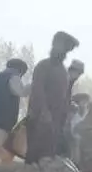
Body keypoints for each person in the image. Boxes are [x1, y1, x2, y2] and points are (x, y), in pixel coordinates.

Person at [25, 31, 79, 164]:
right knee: (34, 158)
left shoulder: (63, 72)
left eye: (67, 50)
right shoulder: (43, 66)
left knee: (47, 159)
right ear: (55, 45)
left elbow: (65, 98)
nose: (64, 52)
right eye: (63, 47)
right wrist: (44, 113)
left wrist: (64, 118)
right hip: (39, 120)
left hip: (55, 124)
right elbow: (37, 91)